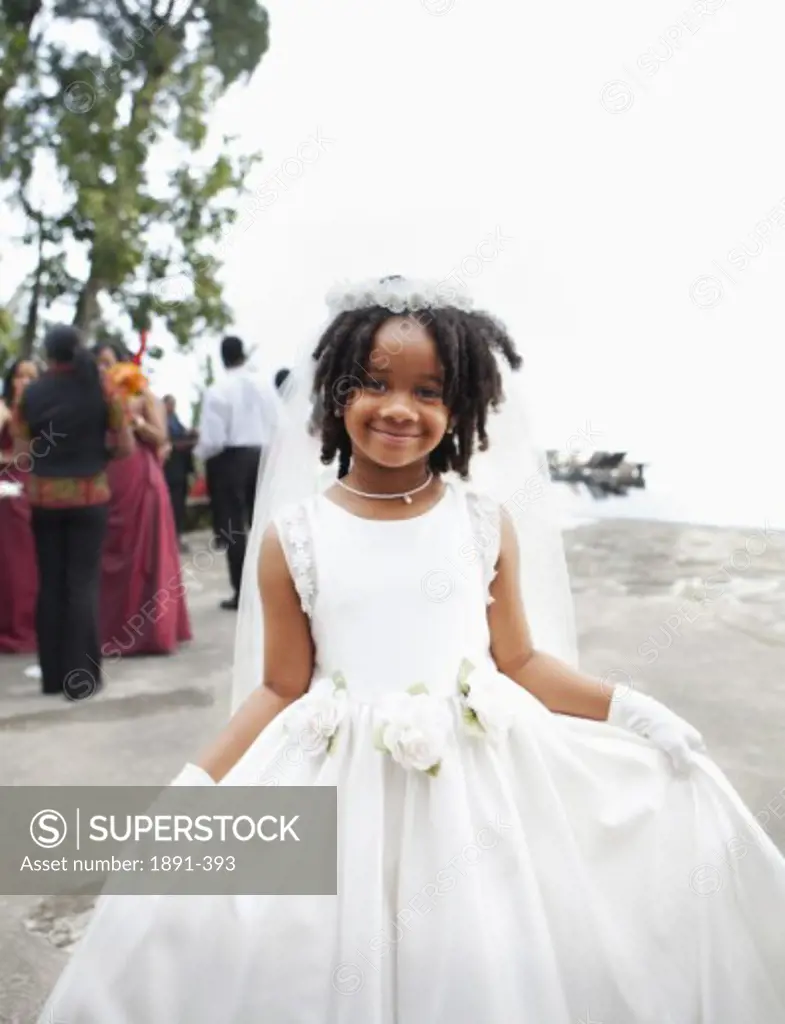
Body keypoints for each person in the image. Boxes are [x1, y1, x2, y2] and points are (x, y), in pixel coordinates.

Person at [38, 278, 785, 1022]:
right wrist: (197, 784)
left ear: (457, 408)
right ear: (335, 394)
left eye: (428, 391)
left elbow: (520, 663)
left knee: (477, 958)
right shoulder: (294, 537)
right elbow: (280, 687)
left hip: (478, 788)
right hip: (334, 782)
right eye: (373, 383)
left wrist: (630, 709)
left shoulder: (483, 523)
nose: (399, 407)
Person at [12, 327, 134, 697]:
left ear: (47, 355)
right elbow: (125, 444)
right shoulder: (101, 389)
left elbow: (23, 451)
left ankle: (52, 678)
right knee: (82, 585)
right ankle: (81, 680)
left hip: (45, 499)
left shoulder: (30, 394)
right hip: (89, 496)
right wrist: (100, 456)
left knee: (50, 584)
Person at [94, 342, 192, 657]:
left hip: (141, 477)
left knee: (145, 554)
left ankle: (149, 631)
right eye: (98, 364)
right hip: (107, 477)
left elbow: (162, 437)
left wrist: (133, 421)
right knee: (108, 552)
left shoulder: (142, 394)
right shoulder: (94, 398)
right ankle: (109, 628)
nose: (102, 369)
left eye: (107, 362)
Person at [195, 335, 281, 610]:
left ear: (222, 357)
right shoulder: (265, 385)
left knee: (233, 528)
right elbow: (282, 423)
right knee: (264, 522)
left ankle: (242, 592)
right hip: (264, 456)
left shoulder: (218, 388)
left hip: (231, 459)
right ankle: (270, 586)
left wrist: (200, 454)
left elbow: (212, 438)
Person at [0, 358, 39, 653]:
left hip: (36, 485)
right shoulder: (3, 409)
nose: (24, 381)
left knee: (32, 558)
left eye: (31, 376)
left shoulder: (43, 411)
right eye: (19, 376)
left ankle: (32, 624)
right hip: (6, 488)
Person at [162, 394, 196, 553]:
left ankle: (177, 537)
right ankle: (171, 539)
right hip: (169, 470)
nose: (172, 407)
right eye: (170, 404)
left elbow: (182, 435)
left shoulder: (175, 420)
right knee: (172, 505)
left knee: (179, 505)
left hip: (180, 469)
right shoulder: (163, 421)